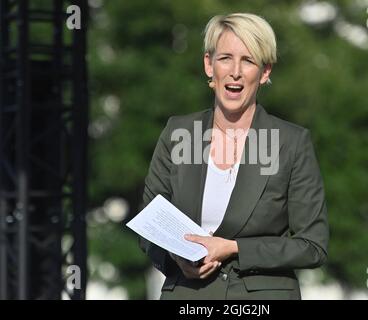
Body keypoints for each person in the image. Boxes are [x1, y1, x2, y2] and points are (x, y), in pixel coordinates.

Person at [139, 13, 329, 300]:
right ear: (208, 65)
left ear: (265, 72)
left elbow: (312, 246)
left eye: (248, 60)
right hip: (188, 297)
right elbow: (149, 225)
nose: (235, 71)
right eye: (225, 58)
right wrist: (175, 258)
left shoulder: (292, 142)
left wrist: (234, 248)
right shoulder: (177, 132)